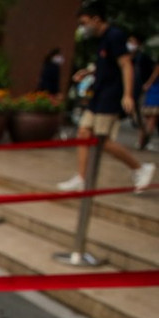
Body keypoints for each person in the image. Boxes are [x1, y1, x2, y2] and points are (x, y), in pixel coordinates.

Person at [57, 3, 155, 193]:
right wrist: (87, 72)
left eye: (84, 23)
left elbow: (126, 65)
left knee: (102, 140)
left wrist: (127, 95)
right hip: (99, 92)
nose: (83, 27)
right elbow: (104, 64)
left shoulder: (115, 36)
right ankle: (81, 178)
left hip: (111, 95)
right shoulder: (102, 39)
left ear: (96, 19)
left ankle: (140, 168)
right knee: (83, 132)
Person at [128, 33, 155, 129]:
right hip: (134, 89)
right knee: (137, 116)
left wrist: (148, 83)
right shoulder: (129, 57)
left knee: (145, 116)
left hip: (144, 89)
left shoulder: (144, 57)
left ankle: (143, 139)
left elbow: (155, 69)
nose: (130, 44)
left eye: (132, 41)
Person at [140, 63, 159, 150]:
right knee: (151, 119)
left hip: (153, 92)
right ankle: (144, 141)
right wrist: (149, 83)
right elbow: (155, 75)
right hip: (155, 93)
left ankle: (142, 141)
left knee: (148, 119)